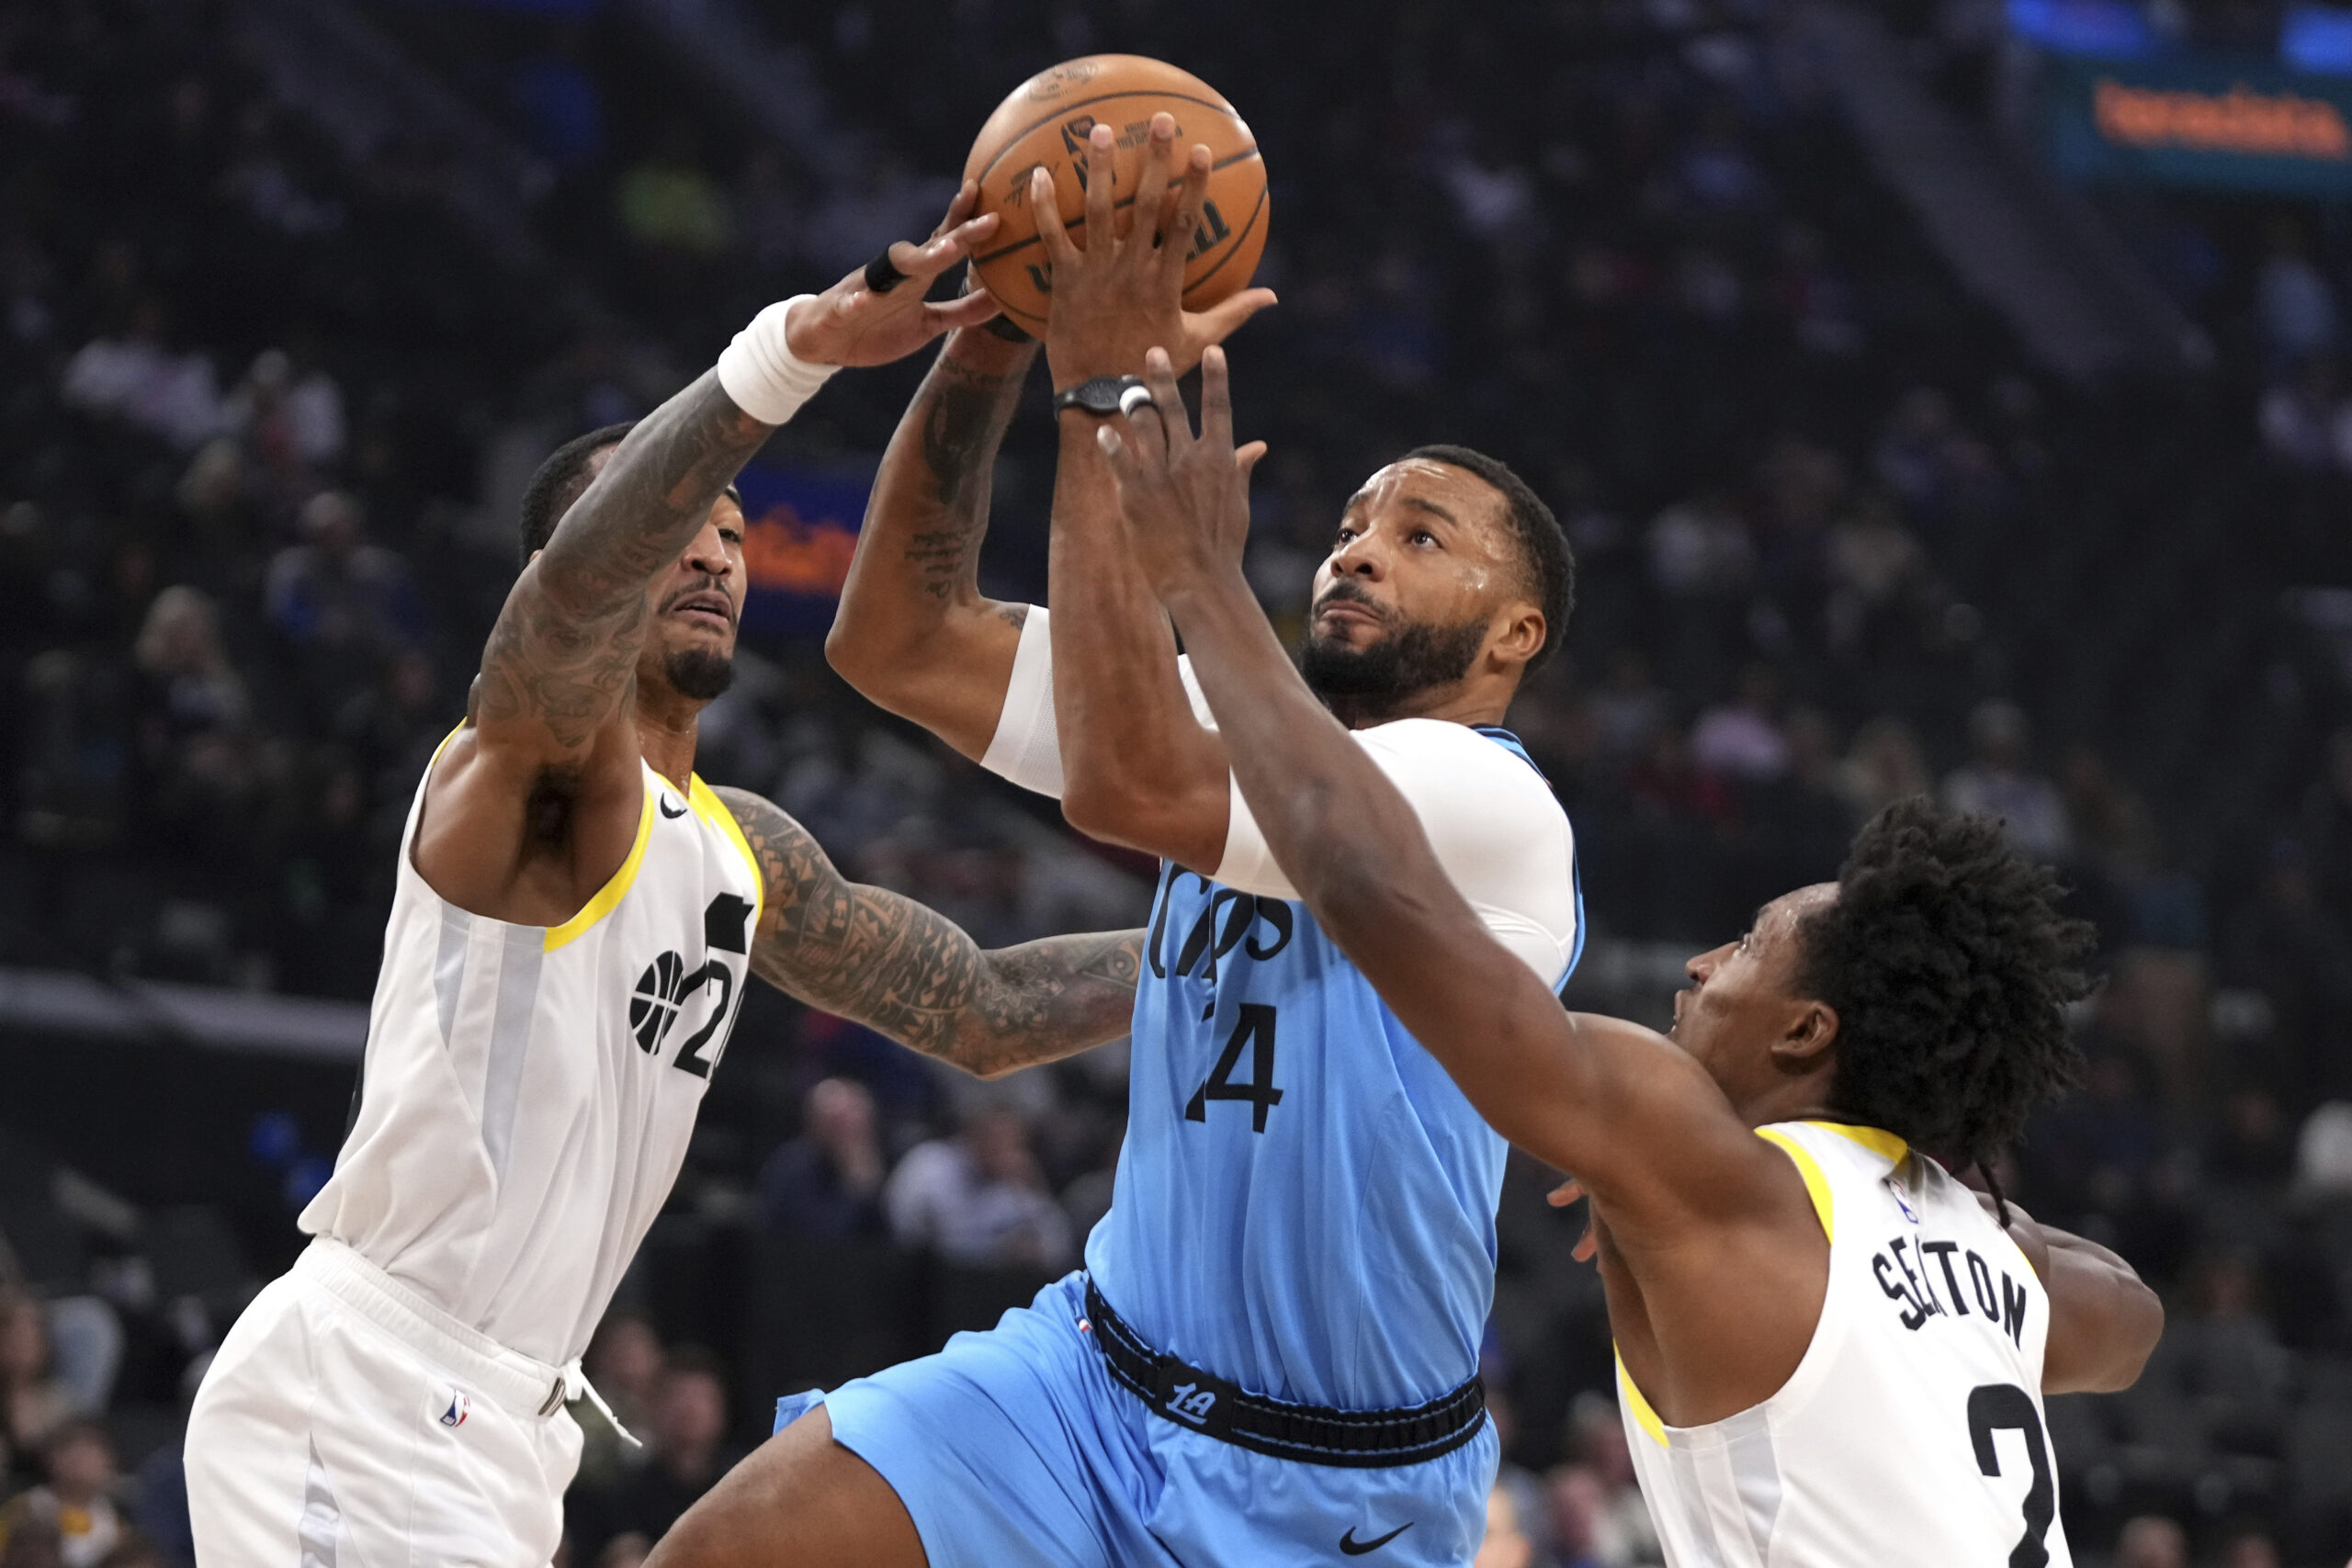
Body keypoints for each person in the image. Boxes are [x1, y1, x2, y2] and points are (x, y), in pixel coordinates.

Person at [657, 116, 1581, 1568]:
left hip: (1329, 1487)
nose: (1354, 547)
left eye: (1421, 536)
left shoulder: (1492, 804)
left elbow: (1131, 787)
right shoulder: (1241, 724)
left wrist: (1099, 396)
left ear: (1516, 632)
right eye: (1349, 520)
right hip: (1088, 1377)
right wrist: (995, 337)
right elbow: (894, 637)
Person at [182, 189, 1151, 1568]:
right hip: (371, 1387)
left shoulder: (739, 843)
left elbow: (979, 1009)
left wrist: (987, 340)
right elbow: (575, 601)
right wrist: (794, 350)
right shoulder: (525, 776)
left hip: (508, 1427)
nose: (709, 549)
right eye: (676, 522)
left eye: (736, 531)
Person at [1089, 343, 2165, 1566]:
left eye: (1752, 946)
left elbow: (1368, 885)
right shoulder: (2002, 1261)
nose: (1702, 967)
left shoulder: (1708, 1168)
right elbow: (2132, 1316)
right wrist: (1968, 1226)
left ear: (1810, 1031)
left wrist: (1200, 582)